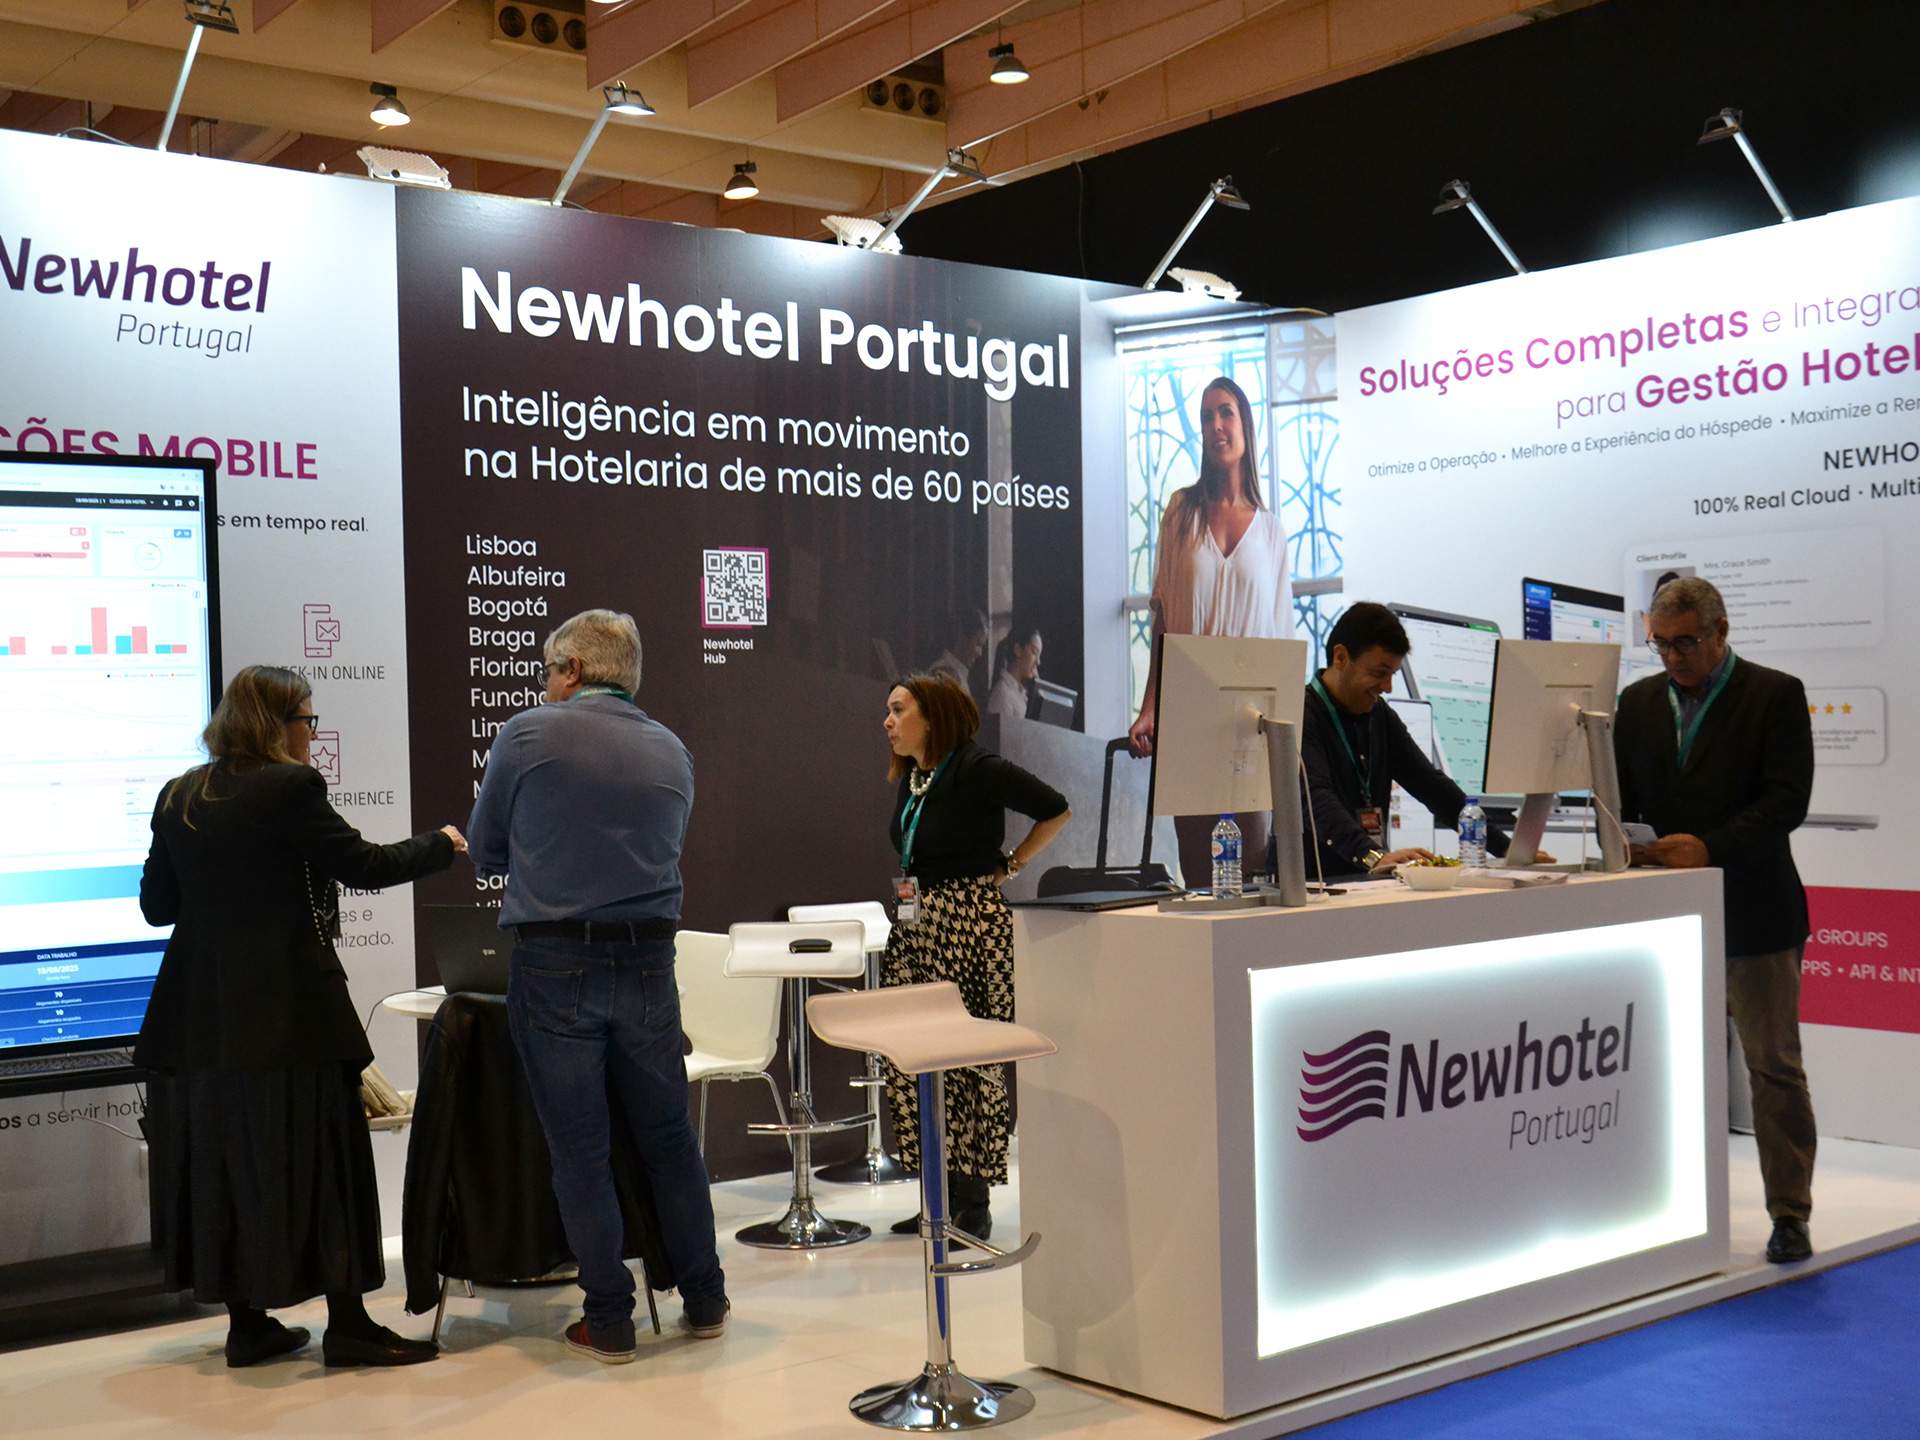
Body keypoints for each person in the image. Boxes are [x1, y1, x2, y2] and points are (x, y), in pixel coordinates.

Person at [136, 664, 464, 1369]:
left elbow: (158, 907)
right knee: (326, 1159)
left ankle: (247, 1326)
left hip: (199, 1019)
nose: (313, 734)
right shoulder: (289, 788)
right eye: (308, 721)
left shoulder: (180, 794)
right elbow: (364, 865)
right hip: (290, 1015)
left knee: (227, 1163)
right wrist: (441, 844)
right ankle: (348, 1326)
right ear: (278, 724)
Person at [466, 609, 728, 1364]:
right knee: (670, 1139)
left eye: (549, 671)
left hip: (556, 963)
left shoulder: (527, 735)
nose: (546, 685)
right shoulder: (673, 749)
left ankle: (609, 1318)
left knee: (579, 1148)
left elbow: (485, 850)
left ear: (573, 670)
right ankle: (706, 1298)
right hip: (649, 962)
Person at [1613, 577, 1817, 1264]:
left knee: (1773, 1068)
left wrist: (1711, 848)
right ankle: (1668, 1209)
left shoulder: (1774, 694)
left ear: (1721, 632)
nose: (1673, 657)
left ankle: (1790, 1213)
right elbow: (1621, 797)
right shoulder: (1638, 703)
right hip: (1667, 915)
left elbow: (1787, 801)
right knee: (1667, 1066)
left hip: (1756, 911)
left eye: (1686, 643)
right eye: (1661, 645)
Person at [880, 672, 1071, 1240]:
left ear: (932, 715)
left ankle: (974, 1201)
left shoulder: (977, 767)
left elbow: (1056, 809)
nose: (887, 722)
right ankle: (938, 1196)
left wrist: (1010, 864)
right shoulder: (915, 779)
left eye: (898, 710)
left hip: (968, 928)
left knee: (967, 1064)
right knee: (917, 1061)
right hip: (917, 927)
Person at [1127, 374, 1293, 885]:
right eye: (1205, 417)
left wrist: (1288, 730)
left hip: (1248, 720)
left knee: (1251, 868)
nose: (1215, 425)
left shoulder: (1271, 531)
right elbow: (1163, 618)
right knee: (1200, 875)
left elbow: (1281, 640)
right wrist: (1150, 706)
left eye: (1225, 413)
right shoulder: (1181, 512)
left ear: (1245, 425)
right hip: (1188, 711)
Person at [1301, 603, 1543, 877]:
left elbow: (1431, 785)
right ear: (1341, 657)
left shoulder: (1380, 715)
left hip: (1367, 881)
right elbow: (1315, 798)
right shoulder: (1301, 712)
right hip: (1312, 885)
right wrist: (1372, 856)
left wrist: (1506, 849)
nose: (1387, 687)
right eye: (1379, 673)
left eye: (1392, 675)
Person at [987, 618, 1044, 721]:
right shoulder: (1002, 694)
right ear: (1018, 650)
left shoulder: (1020, 693)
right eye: (1034, 652)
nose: (1038, 662)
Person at [927, 608, 990, 694]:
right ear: (963, 638)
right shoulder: (944, 673)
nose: (980, 653)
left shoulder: (959, 673)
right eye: (978, 644)